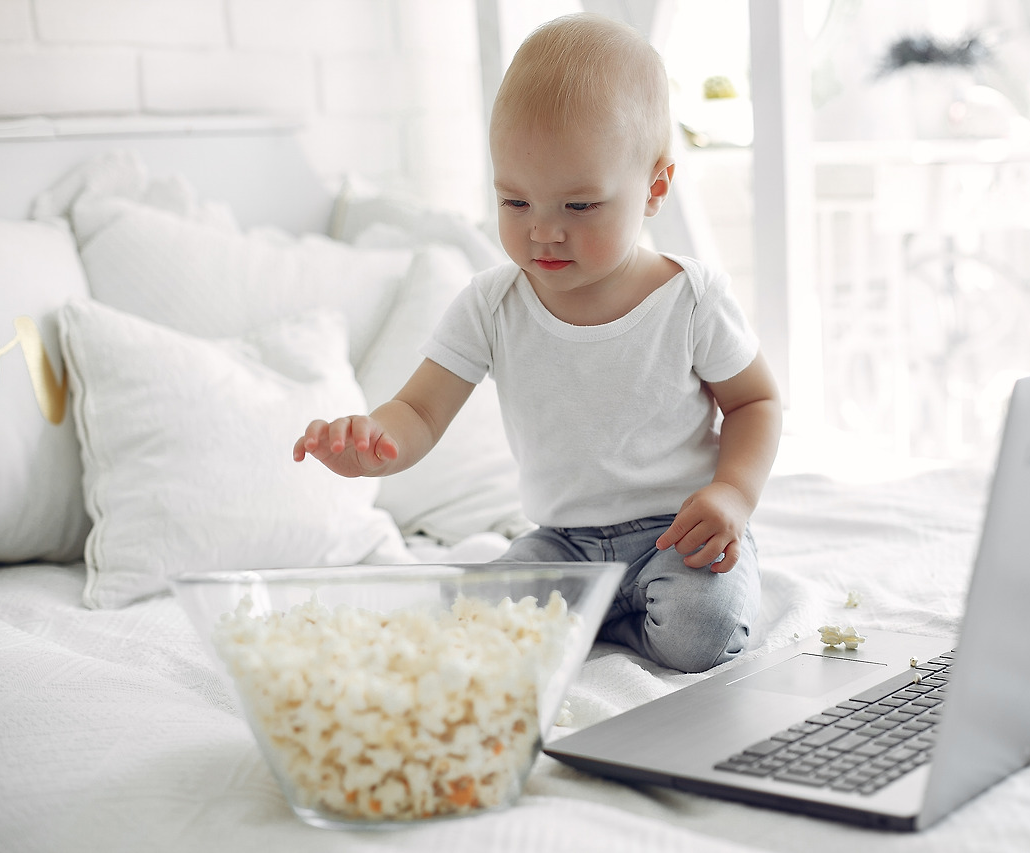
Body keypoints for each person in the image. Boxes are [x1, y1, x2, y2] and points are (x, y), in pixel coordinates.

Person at [293, 12, 782, 673]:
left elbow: (755, 402)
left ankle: (613, 616)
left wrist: (733, 494)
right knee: (472, 623)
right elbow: (420, 411)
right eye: (515, 203)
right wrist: (375, 444)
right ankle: (606, 612)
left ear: (654, 188)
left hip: (678, 533)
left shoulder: (690, 299)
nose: (543, 232)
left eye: (579, 207)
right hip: (563, 544)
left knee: (701, 632)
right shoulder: (491, 305)